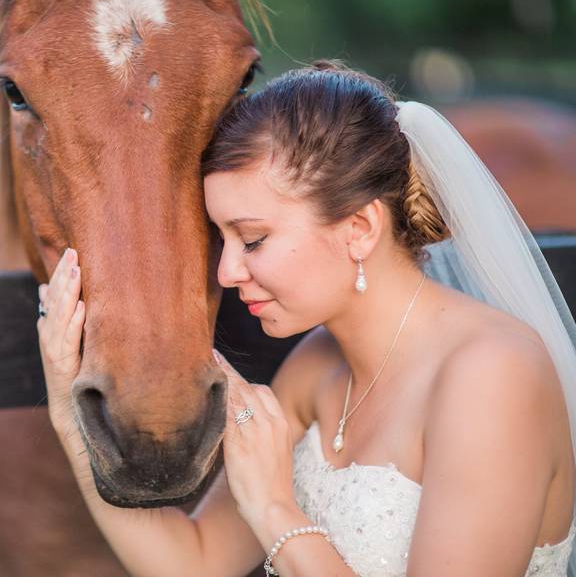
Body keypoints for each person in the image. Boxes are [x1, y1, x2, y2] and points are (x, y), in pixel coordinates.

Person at [36, 60, 576, 576]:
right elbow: (191, 561)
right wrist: (67, 407)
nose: (226, 272)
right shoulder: (316, 366)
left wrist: (274, 507)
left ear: (360, 228)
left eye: (252, 239)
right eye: (219, 240)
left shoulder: (494, 374)